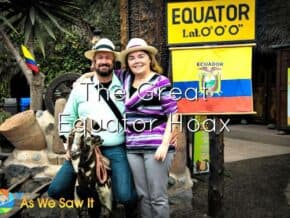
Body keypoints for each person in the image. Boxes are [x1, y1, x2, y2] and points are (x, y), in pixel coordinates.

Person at [47, 38, 137, 217]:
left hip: (115, 147)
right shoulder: (81, 88)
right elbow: (67, 117)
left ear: (114, 61)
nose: (104, 61)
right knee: (55, 190)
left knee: (126, 197)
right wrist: (67, 144)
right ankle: (88, 202)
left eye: (108, 58)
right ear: (94, 62)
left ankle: (128, 205)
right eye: (100, 57)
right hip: (83, 148)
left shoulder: (125, 85)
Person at [118, 38, 179, 218]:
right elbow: (98, 73)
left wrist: (165, 144)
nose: (136, 60)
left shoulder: (161, 82)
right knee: (143, 196)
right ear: (127, 62)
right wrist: (82, 78)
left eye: (141, 56)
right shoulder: (125, 79)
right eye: (132, 58)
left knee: (157, 197)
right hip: (133, 147)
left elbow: (174, 114)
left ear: (150, 59)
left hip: (156, 146)